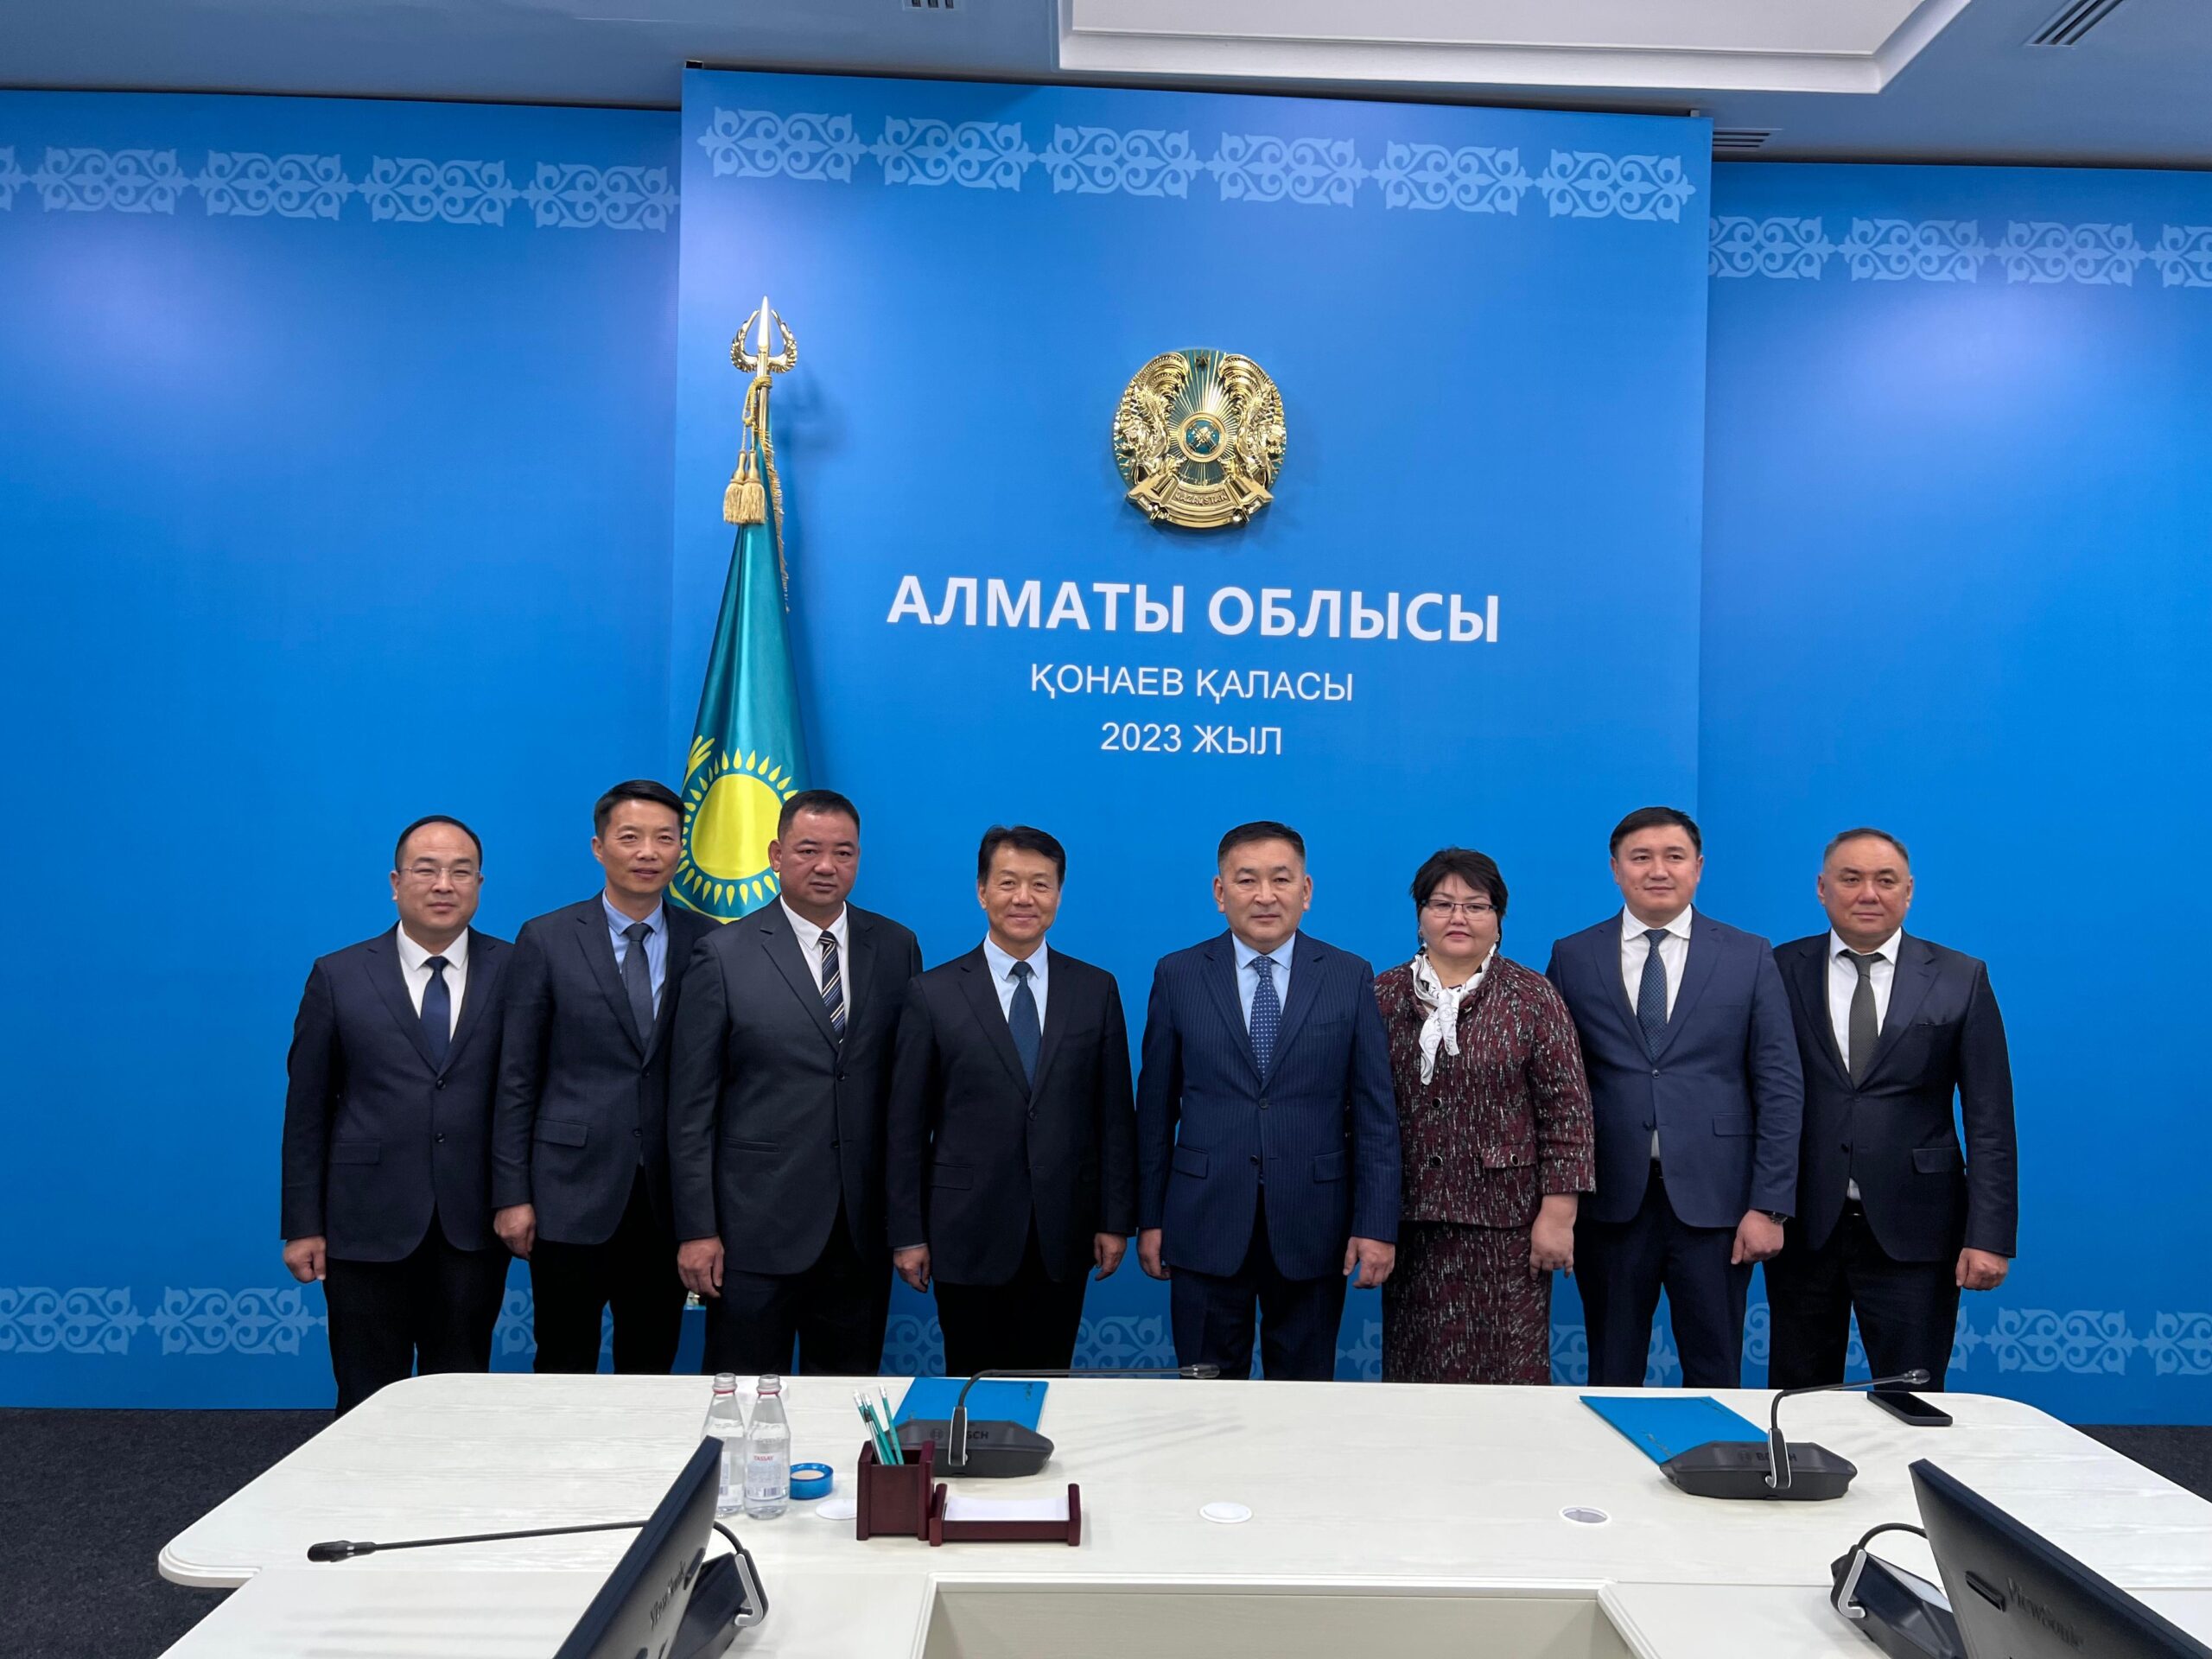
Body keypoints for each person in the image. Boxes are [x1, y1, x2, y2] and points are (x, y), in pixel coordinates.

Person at [1135, 821, 1401, 1382]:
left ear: (1306, 890)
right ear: (1220, 891)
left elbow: (1375, 1115)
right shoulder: (1178, 974)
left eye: (1280, 879)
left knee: (1303, 1397)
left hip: (1314, 1223)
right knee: (1205, 1398)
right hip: (1203, 1223)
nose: (1264, 895)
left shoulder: (1349, 976)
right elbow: (1155, 1111)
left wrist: (1376, 1224)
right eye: (1246, 879)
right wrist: (1150, 1219)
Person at [1546, 807, 1802, 1389]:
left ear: (1699, 867)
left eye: (1674, 857)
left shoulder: (1748, 954)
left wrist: (1770, 1206)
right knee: (1612, 1371)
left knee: (1715, 1371)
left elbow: (1780, 1086)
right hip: (1611, 1203)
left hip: (1719, 1206)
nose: (1658, 870)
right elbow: (1555, 1086)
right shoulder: (1574, 956)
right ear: (1616, 869)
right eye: (1641, 858)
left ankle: (1715, 1454)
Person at [669, 789, 923, 1375]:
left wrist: (907, 1223)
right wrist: (698, 1229)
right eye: (809, 850)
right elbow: (690, 1110)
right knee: (742, 1404)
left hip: (858, 1233)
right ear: (776, 855)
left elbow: (905, 1099)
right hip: (753, 1232)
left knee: (845, 1401)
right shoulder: (722, 954)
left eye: (843, 852)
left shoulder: (896, 947)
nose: (826, 866)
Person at [1767, 829, 2017, 1390]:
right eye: (1851, 878)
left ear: (1909, 891)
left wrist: (1989, 1234)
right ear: (1822, 889)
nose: (1868, 893)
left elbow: (1991, 1121)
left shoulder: (1960, 977)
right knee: (1800, 1396)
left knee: (1913, 1398)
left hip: (1918, 1229)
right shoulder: (1779, 970)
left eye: (1885, 880)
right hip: (1804, 1226)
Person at [886, 825, 1137, 1376]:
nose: (1024, 898)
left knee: (1049, 1385)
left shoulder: (1095, 989)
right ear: (982, 891)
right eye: (1008, 882)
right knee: (971, 1386)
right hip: (964, 1232)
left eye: (1040, 884)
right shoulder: (933, 993)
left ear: (1059, 895)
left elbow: (1115, 1117)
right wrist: (907, 1234)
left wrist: (1115, 1220)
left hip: (1062, 1233)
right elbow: (905, 1128)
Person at [280, 816, 512, 1414]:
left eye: (461, 871)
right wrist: (303, 1224)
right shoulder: (338, 975)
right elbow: (306, 1111)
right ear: (395, 882)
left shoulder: (516, 970)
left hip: (472, 1223)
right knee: (365, 1394)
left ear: (480, 884)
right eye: (426, 870)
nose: (444, 885)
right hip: (364, 1223)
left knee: (459, 1395)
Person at [491, 780, 718, 1375]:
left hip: (666, 1194)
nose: (648, 852)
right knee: (563, 1360)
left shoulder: (709, 941)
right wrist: (512, 1194)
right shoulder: (547, 938)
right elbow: (517, 1077)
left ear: (681, 849)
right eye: (630, 837)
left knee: (652, 1359)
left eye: (665, 838)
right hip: (568, 1190)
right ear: (599, 847)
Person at [1373, 848, 1594, 1385]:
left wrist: (1558, 1217)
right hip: (1410, 1226)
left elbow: (1568, 1114)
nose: (1458, 917)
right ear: (1420, 916)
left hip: (1509, 1229)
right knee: (1417, 1376)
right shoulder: (1381, 996)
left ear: (1498, 918)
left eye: (1475, 905)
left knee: (1509, 1378)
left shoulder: (1533, 997)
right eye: (1442, 904)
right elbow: (1360, 1112)